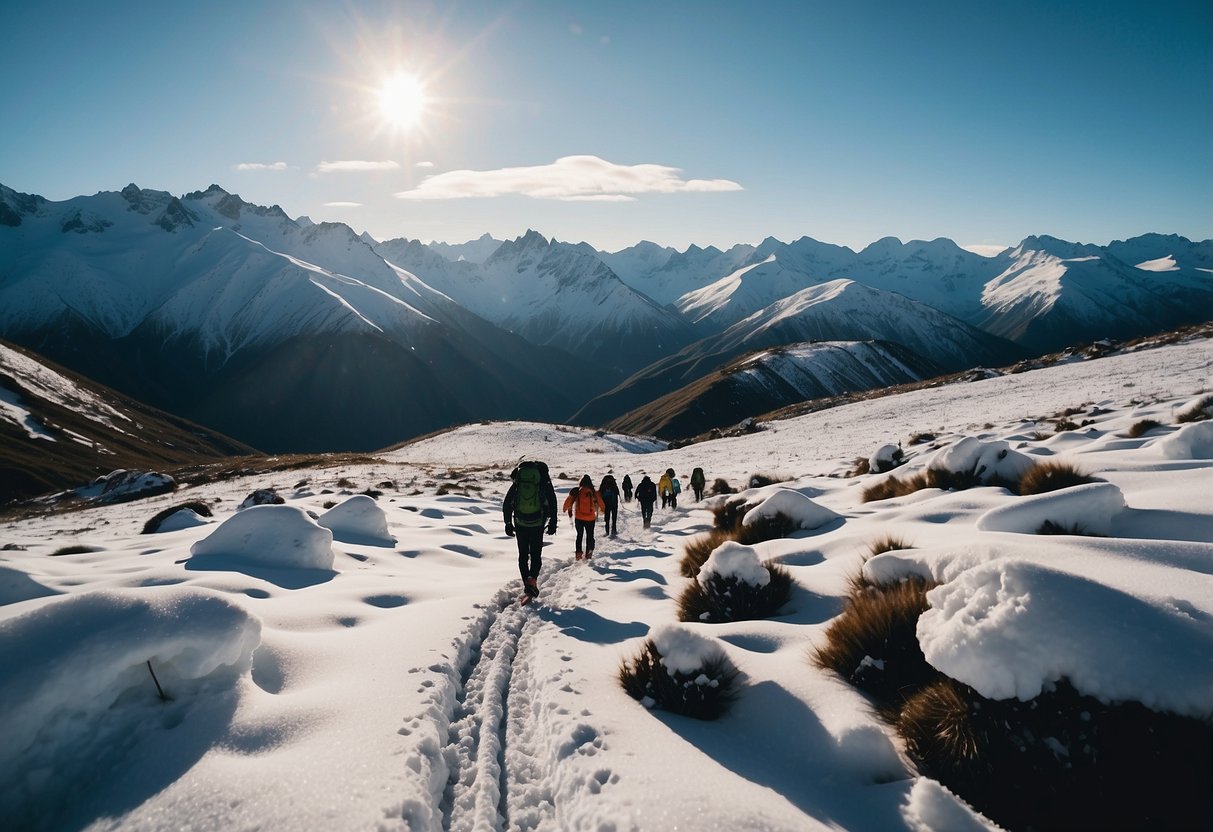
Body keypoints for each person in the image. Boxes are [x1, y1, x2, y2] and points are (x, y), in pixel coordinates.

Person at [502, 458, 558, 599]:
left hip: (520, 523)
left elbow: (507, 503)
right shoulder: (542, 481)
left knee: (522, 556)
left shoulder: (518, 482)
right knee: (535, 555)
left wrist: (508, 523)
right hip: (537, 524)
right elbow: (552, 501)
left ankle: (527, 586)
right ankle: (531, 581)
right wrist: (553, 521)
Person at [563, 474, 606, 559]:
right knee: (590, 536)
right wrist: (603, 510)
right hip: (590, 518)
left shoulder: (577, 491)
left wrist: (565, 509)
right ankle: (589, 553)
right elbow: (601, 504)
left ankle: (578, 554)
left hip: (579, 518)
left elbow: (568, 501)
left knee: (579, 536)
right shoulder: (593, 492)